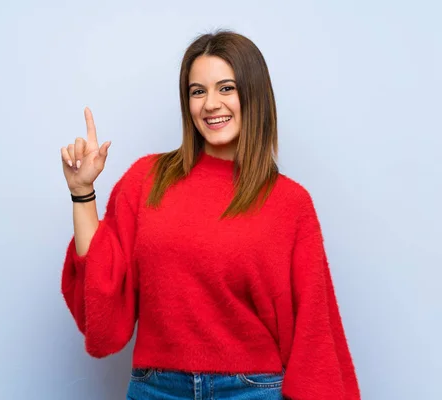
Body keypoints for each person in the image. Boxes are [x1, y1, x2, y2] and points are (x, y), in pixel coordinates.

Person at [59, 30, 360, 400]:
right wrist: (81, 192)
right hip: (157, 388)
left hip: (253, 390)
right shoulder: (146, 180)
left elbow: (313, 329)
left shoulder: (290, 203)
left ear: (253, 95)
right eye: (197, 91)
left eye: (226, 88)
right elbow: (102, 304)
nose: (210, 104)